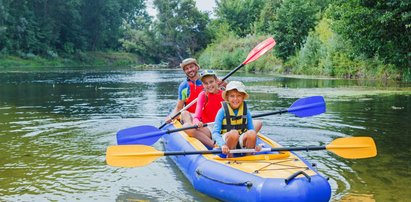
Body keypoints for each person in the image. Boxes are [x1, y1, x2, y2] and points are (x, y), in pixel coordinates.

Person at [212, 81, 261, 157]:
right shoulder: (222, 111)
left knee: (252, 133)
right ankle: (230, 156)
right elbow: (215, 132)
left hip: (241, 140)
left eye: (239, 96)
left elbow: (252, 130)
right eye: (232, 96)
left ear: (243, 97)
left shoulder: (246, 112)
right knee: (234, 133)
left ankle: (248, 156)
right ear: (227, 97)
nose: (235, 99)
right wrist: (222, 145)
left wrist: (257, 144)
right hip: (227, 140)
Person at [165, 58, 204, 124]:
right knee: (184, 113)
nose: (190, 70)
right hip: (191, 116)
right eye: (186, 69)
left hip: (207, 114)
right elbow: (179, 107)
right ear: (184, 71)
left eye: (191, 67)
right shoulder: (184, 86)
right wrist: (171, 117)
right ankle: (190, 128)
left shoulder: (206, 80)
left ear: (197, 67)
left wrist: (223, 83)